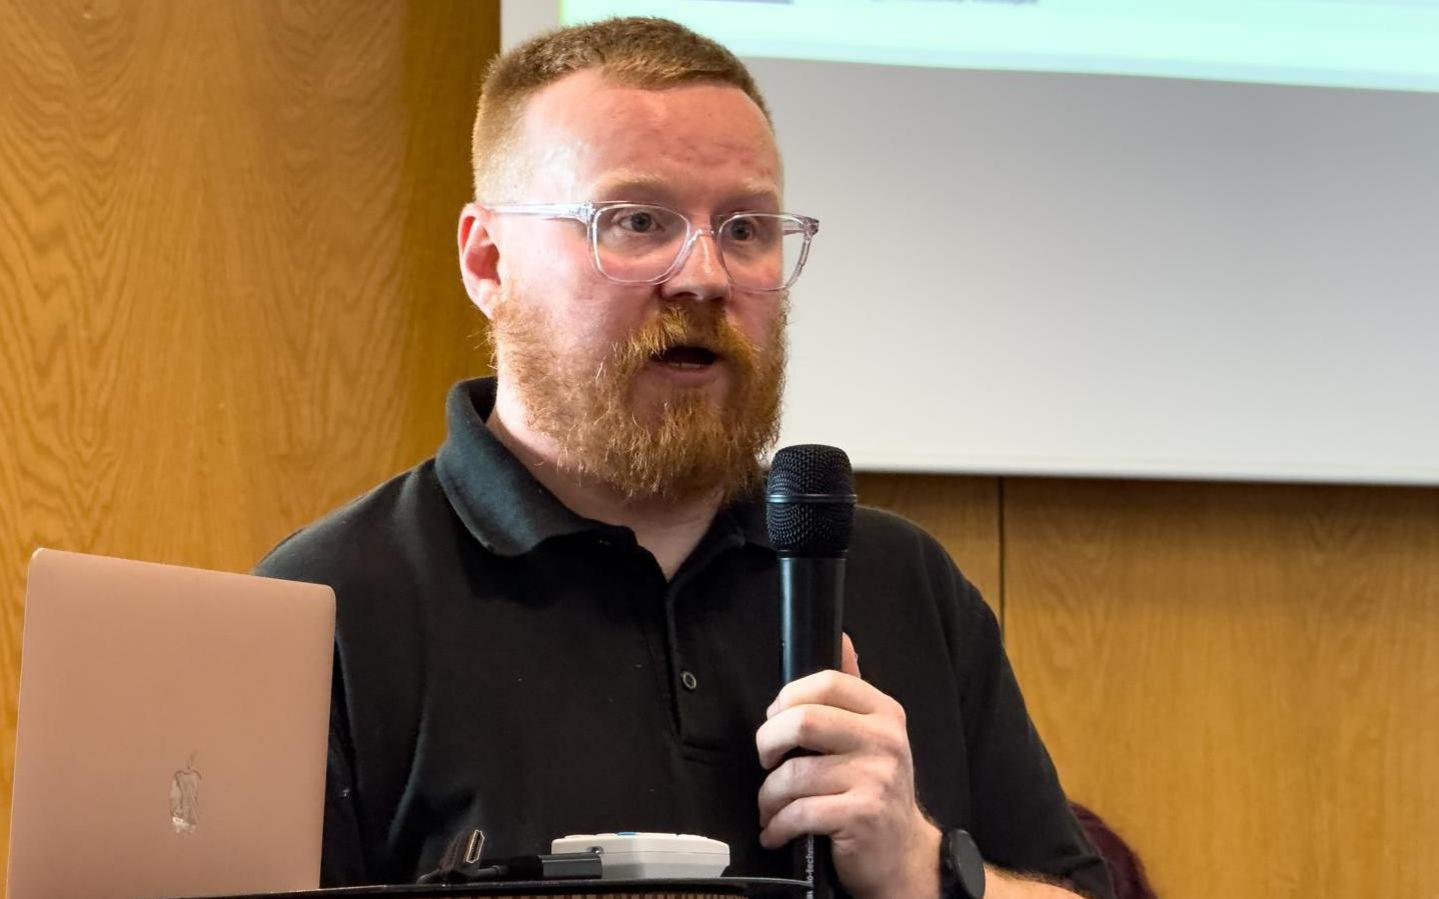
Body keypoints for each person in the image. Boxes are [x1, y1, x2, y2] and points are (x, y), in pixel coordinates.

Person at [256, 16, 1112, 899]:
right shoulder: (326, 609)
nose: (704, 275)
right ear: (487, 259)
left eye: (745, 228)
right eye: (636, 221)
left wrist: (918, 868)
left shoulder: (900, 583)